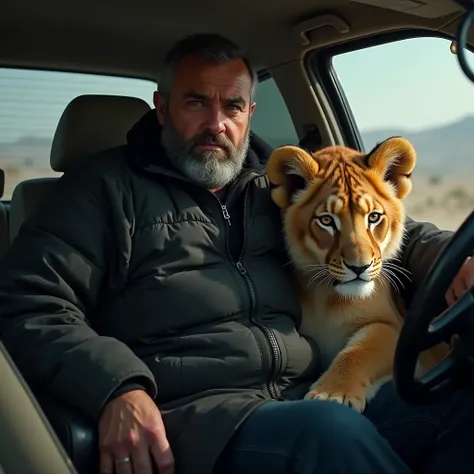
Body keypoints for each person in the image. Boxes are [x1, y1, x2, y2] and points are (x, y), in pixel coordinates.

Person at [0, 33, 473, 474]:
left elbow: (386, 232)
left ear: (250, 110)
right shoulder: (101, 191)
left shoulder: (279, 186)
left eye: (232, 105)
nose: (216, 123)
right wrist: (117, 387)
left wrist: (456, 256)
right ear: (162, 108)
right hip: (194, 413)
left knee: (462, 401)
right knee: (330, 433)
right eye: (196, 102)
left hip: (300, 390)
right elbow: (28, 302)